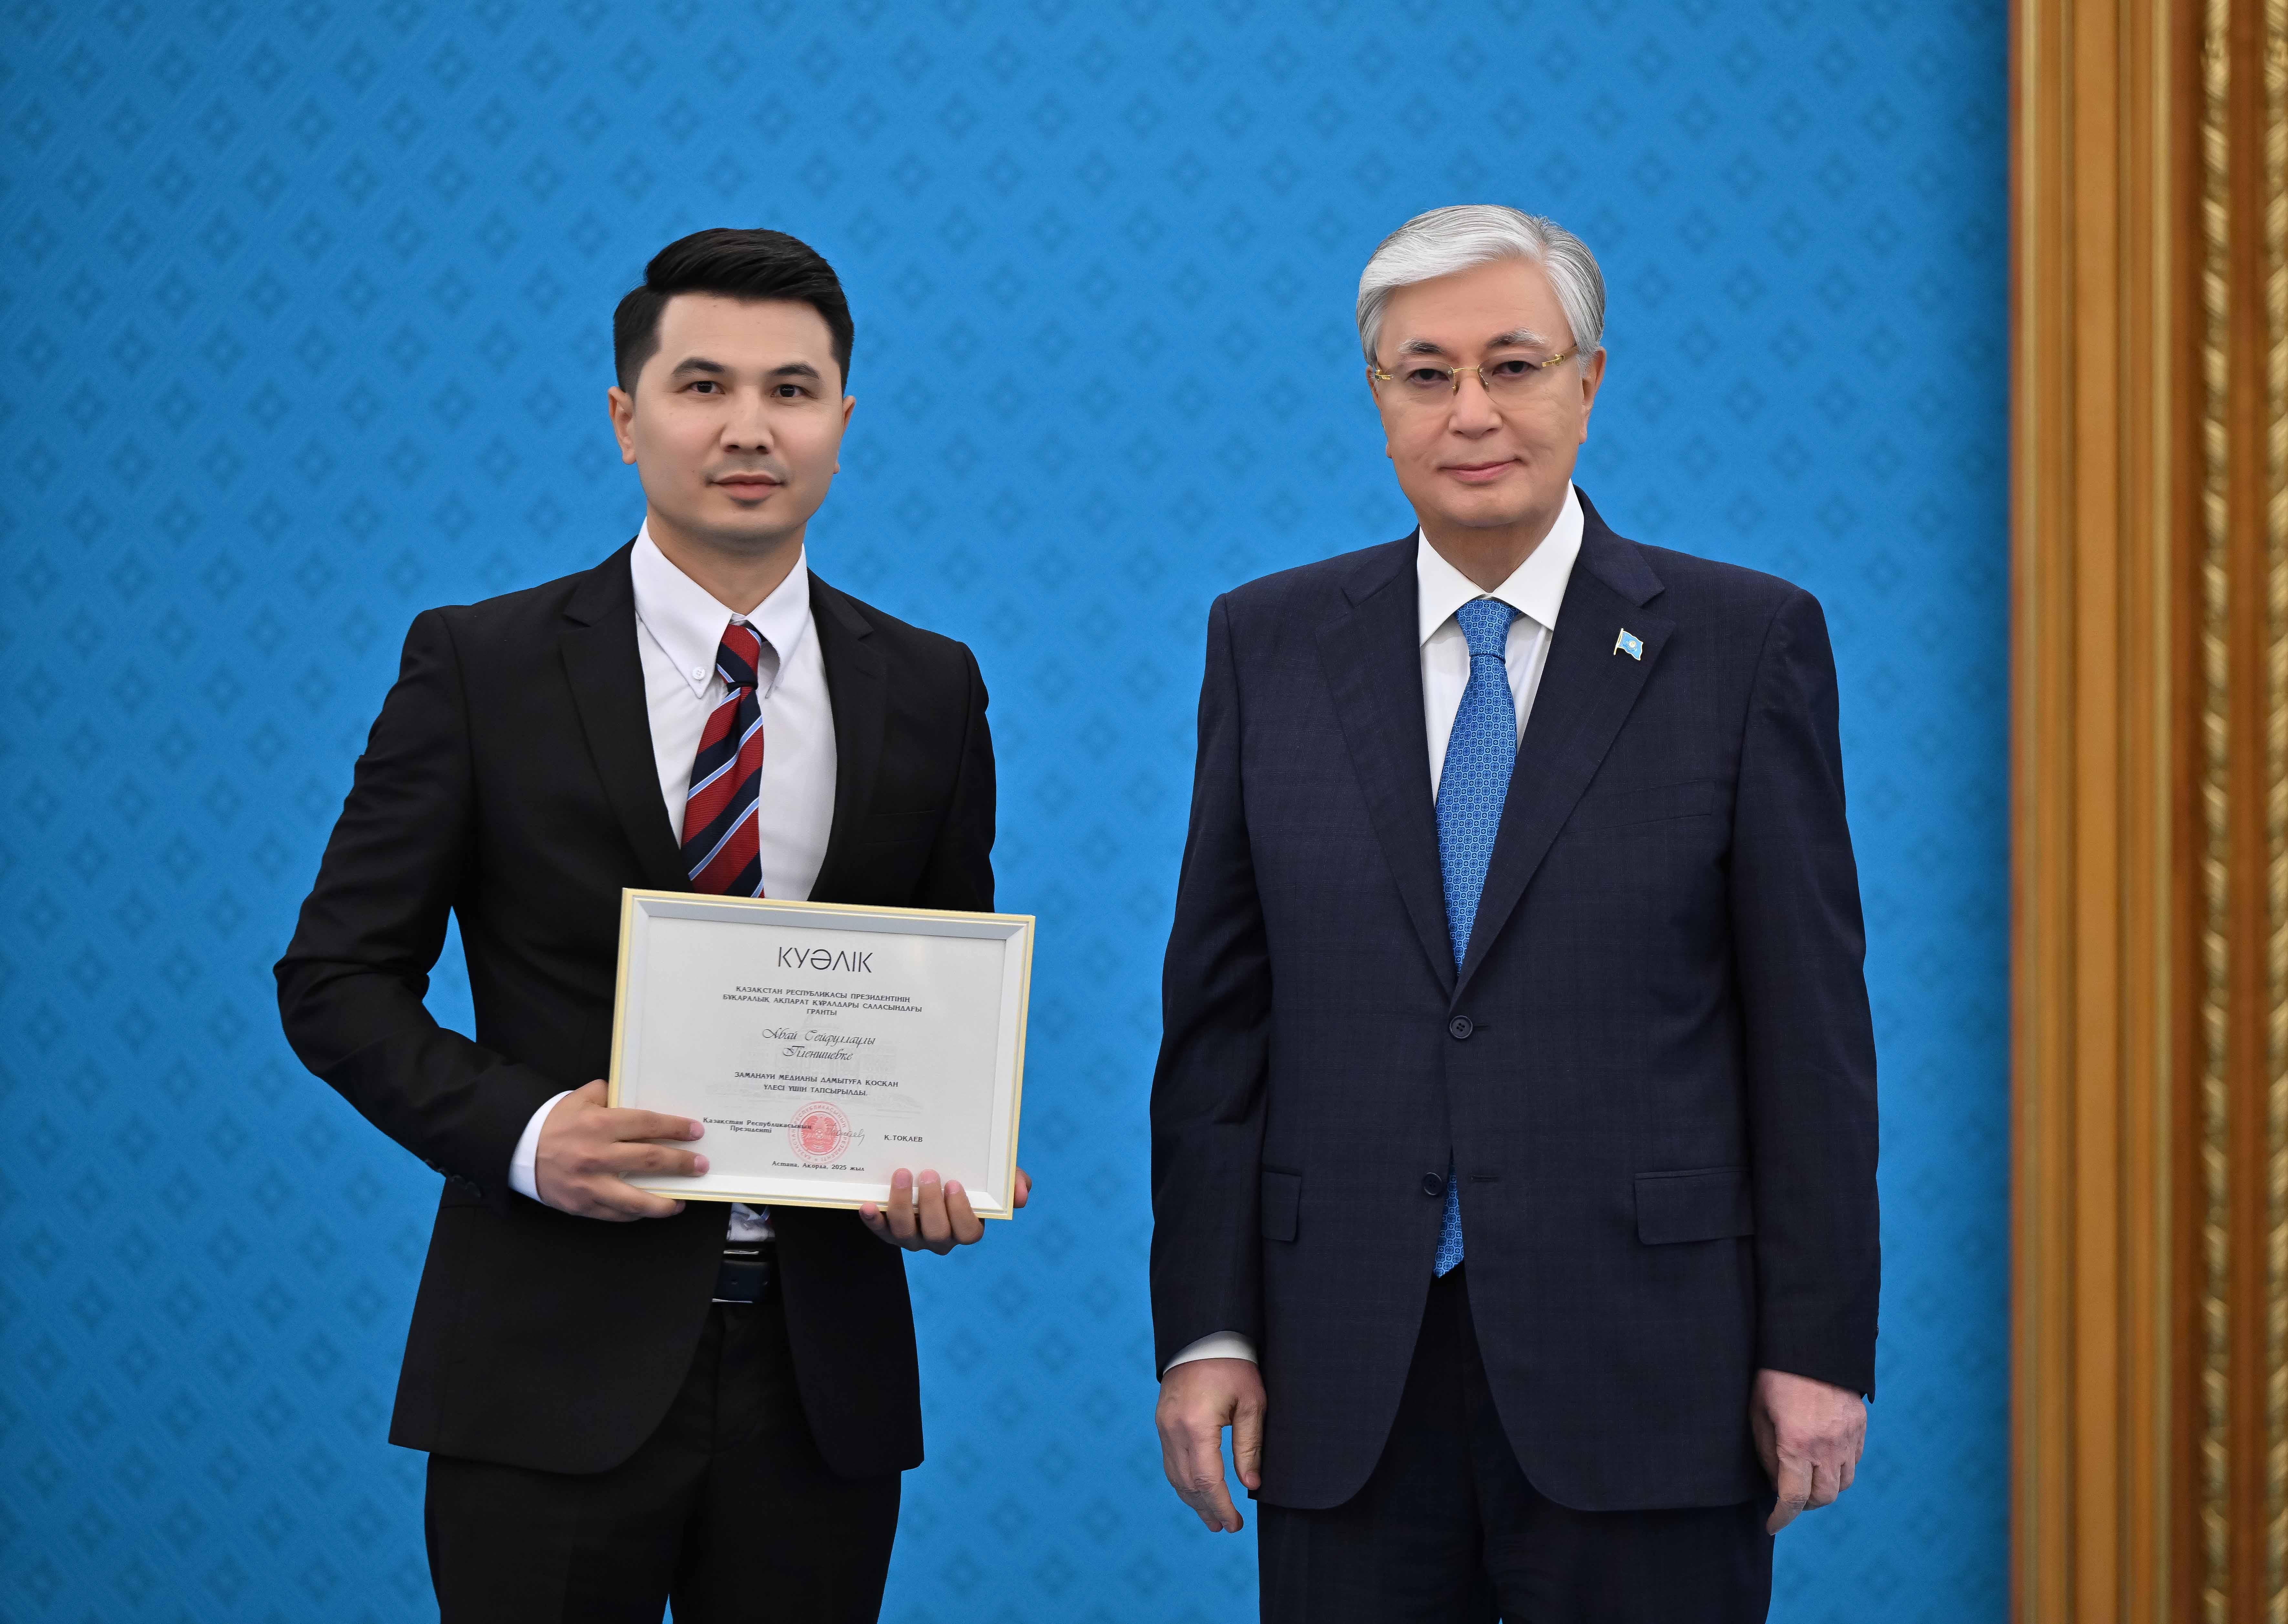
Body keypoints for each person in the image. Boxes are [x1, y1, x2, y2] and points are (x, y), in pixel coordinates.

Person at [276, 227, 1026, 1624]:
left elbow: (933, 994)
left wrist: (942, 1161)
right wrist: (525, 1134)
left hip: (823, 1382)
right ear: (627, 419)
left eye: (792, 390)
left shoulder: (931, 688)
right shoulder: (481, 665)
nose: (749, 427)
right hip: (542, 1366)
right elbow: (335, 979)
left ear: (843, 421)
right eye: (702, 386)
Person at [1148, 205, 1879, 1622]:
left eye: (1513, 366)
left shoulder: (1742, 643)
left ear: (1586, 383)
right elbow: (1220, 1029)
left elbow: (1810, 1035)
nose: (1469, 411)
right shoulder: (1268, 640)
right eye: (1424, 374)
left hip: (1651, 1368)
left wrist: (1816, 1344)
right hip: (1341, 1363)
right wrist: (1208, 1328)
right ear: (1377, 399)